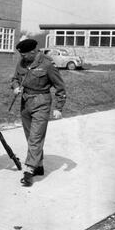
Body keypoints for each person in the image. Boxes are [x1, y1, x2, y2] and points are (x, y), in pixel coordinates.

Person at [11, 39, 66, 187]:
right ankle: (39, 165)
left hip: (41, 102)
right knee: (31, 138)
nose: (22, 58)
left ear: (33, 52)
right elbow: (15, 78)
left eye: (24, 55)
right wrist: (16, 87)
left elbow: (60, 87)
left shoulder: (47, 64)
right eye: (21, 55)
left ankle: (29, 171)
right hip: (25, 103)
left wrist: (58, 108)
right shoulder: (21, 62)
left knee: (35, 137)